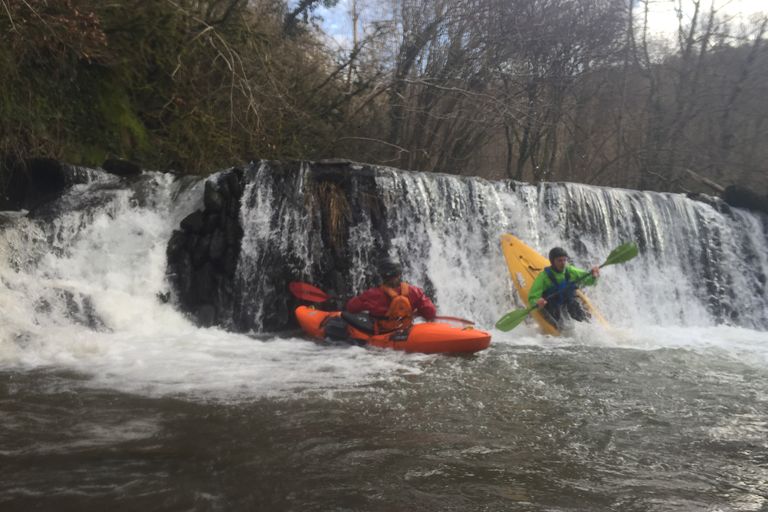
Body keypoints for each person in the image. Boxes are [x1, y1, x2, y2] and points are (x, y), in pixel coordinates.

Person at [345, 257, 436, 333]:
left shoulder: (372, 294)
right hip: (406, 332)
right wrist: (417, 313)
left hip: (383, 335)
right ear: (399, 273)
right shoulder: (414, 291)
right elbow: (430, 312)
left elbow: (351, 307)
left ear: (381, 275)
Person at [528, 247, 600, 328]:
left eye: (564, 260)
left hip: (568, 301)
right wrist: (537, 302)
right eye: (559, 260)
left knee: (574, 307)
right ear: (552, 262)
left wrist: (594, 276)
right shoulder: (544, 277)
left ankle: (589, 326)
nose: (563, 263)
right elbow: (532, 297)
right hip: (553, 304)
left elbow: (588, 280)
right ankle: (559, 331)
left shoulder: (570, 270)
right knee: (557, 318)